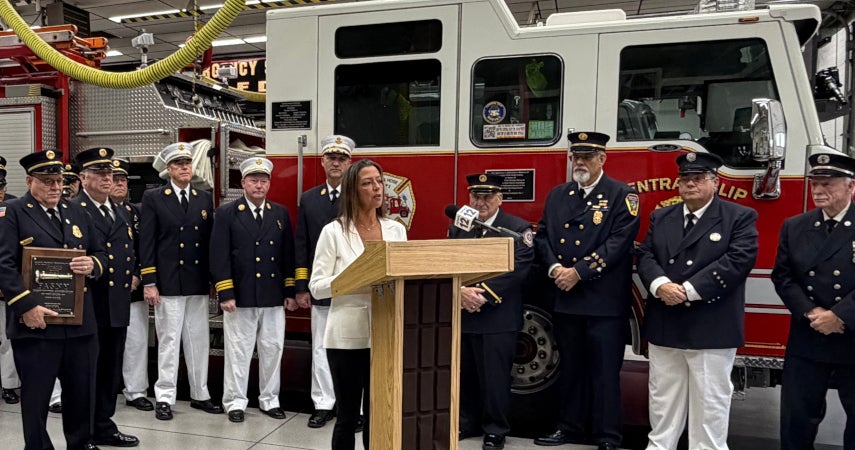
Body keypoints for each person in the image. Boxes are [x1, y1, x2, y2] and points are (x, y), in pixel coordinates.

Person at [636, 152, 758, 450]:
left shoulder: (738, 217)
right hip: (666, 320)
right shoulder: (662, 216)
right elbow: (646, 254)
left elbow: (738, 260)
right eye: (685, 179)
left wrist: (688, 290)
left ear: (714, 183)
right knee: (663, 398)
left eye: (698, 179)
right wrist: (660, 284)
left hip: (711, 324)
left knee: (710, 401)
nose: (690, 185)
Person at [533, 132, 640, 450]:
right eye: (575, 157)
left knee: (605, 373)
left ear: (602, 159)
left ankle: (607, 435)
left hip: (603, 301)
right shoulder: (558, 195)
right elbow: (542, 236)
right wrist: (555, 270)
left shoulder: (622, 195)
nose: (580, 162)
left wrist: (578, 272)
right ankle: (569, 428)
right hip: (566, 298)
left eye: (588, 157)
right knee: (571, 369)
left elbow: (618, 243)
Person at [0, 149, 105, 450]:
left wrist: (93, 266)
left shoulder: (77, 212)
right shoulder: (13, 213)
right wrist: (26, 305)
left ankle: (81, 444)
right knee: (36, 398)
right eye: (47, 181)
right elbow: (3, 265)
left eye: (59, 181)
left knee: (82, 394)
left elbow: (100, 254)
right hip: (36, 326)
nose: (55, 187)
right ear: (30, 180)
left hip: (81, 326)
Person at [309, 159, 407, 450]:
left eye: (379, 181)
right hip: (346, 338)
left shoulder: (395, 230)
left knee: (379, 414)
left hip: (386, 333)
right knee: (349, 416)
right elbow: (316, 285)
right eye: (367, 183)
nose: (376, 188)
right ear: (353, 190)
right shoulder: (334, 231)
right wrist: (353, 278)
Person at [773, 152, 855, 450]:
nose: (819, 191)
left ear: (850, 187)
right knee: (797, 419)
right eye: (815, 185)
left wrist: (840, 315)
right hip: (809, 336)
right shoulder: (795, 226)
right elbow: (782, 277)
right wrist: (812, 312)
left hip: (852, 335)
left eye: (828, 184)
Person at [451, 173, 534, 450]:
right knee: (465, 374)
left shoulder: (516, 227)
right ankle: (466, 422)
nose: (481, 202)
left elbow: (519, 267)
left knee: (495, 378)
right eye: (476, 196)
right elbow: (448, 261)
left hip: (497, 316)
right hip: (463, 312)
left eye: (487, 196)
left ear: (500, 198)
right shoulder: (459, 227)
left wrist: (482, 294)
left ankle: (495, 429)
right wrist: (461, 293)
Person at [140, 142, 222, 420]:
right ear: (169, 169)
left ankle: (201, 394)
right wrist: (149, 280)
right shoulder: (154, 198)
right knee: (169, 340)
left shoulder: (202, 198)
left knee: (198, 340)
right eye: (178, 164)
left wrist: (213, 280)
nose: (185, 168)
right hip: (168, 283)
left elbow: (209, 243)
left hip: (196, 281)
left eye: (187, 163)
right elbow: (147, 242)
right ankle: (164, 396)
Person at [210, 157, 296, 423]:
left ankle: (270, 400)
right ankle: (235, 401)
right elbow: (219, 255)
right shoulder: (227, 212)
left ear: (269, 184)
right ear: (243, 183)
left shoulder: (279, 213)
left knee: (272, 349)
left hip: (272, 295)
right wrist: (225, 293)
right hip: (241, 295)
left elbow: (287, 256)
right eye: (253, 181)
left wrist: (289, 291)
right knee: (238, 350)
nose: (259, 186)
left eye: (263, 181)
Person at [72, 148, 141, 447]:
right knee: (88, 372)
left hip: (116, 303)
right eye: (99, 173)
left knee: (110, 370)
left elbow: (128, 251)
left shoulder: (121, 210)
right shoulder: (74, 209)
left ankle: (104, 424)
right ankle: (84, 433)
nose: (106, 178)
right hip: (89, 303)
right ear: (83, 178)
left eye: (109, 173)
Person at [295, 134, 353, 428]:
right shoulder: (309, 199)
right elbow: (302, 244)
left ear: (349, 163)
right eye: (331, 157)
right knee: (321, 347)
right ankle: (323, 404)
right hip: (321, 288)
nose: (336, 163)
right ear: (322, 161)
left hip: (353, 288)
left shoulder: (358, 196)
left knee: (353, 350)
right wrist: (301, 287)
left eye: (341, 158)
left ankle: (350, 408)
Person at [111, 158, 151, 412]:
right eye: (114, 179)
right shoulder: (89, 211)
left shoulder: (135, 212)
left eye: (123, 180)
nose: (119, 184)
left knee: (137, 342)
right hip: (104, 289)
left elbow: (144, 246)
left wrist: (138, 275)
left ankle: (136, 391)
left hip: (133, 290)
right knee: (104, 344)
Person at [0, 155, 21, 405]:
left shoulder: (14, 207)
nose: (1, 192)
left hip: (7, 287)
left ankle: (9, 384)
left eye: (2, 187)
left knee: (8, 338)